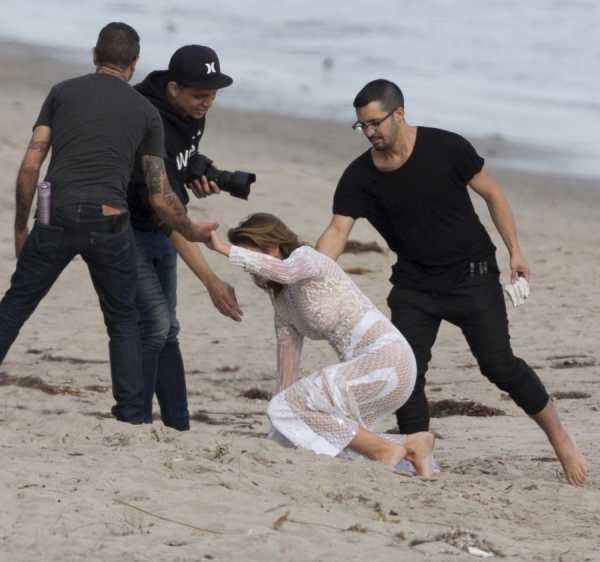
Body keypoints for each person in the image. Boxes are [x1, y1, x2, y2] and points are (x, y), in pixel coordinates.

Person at [315, 79, 587, 486]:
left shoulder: (446, 147)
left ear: (399, 114)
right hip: (415, 286)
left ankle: (560, 437)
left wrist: (515, 250)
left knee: (499, 365)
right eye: (362, 126)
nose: (369, 132)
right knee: (406, 370)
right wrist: (312, 273)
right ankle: (420, 458)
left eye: (375, 123)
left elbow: (493, 194)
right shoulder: (360, 177)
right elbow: (338, 230)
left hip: (472, 277)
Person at [0, 23, 217, 424]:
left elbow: (31, 165)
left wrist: (20, 228)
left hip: (54, 213)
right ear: (134, 63)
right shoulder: (147, 112)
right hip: (110, 219)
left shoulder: (62, 92)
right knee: (123, 320)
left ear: (94, 55)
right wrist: (190, 229)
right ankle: (132, 413)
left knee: (16, 304)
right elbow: (160, 195)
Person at [205, 213, 435, 475]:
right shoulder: (282, 304)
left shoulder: (307, 259)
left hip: (388, 359)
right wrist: (277, 439)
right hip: (364, 374)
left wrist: (222, 248)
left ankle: (387, 450)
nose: (253, 273)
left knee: (300, 415)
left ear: (273, 248)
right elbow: (286, 382)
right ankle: (412, 445)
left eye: (253, 262)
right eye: (248, 268)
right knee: (312, 427)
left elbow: (286, 271)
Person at [127, 45, 243, 431]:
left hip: (160, 225)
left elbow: (174, 177)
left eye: (213, 95)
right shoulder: (147, 118)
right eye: (199, 95)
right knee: (156, 324)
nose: (207, 103)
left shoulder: (191, 113)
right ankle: (135, 419)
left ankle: (178, 425)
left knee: (168, 328)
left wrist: (195, 173)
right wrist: (211, 281)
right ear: (174, 88)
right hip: (126, 226)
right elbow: (167, 210)